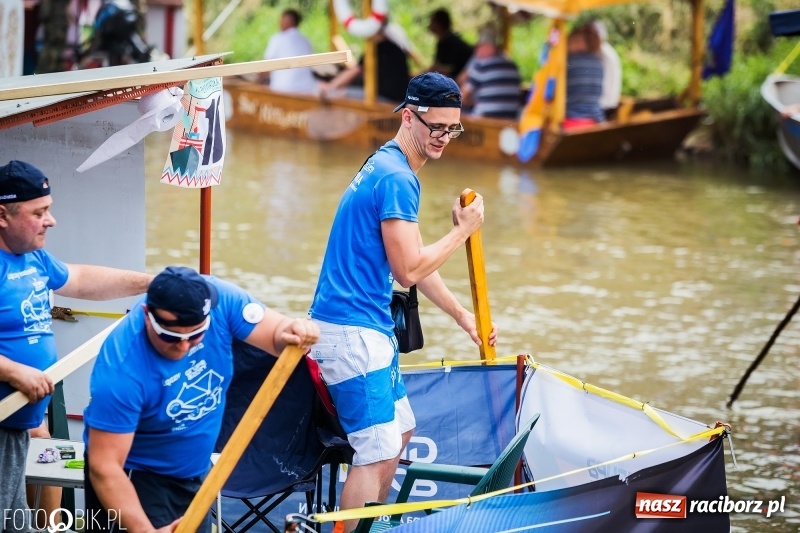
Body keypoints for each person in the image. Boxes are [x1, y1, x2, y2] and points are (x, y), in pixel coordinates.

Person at [308, 72, 498, 533]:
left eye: (453, 129)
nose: (445, 139)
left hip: (364, 330)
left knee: (401, 432)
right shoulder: (397, 177)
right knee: (374, 452)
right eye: (437, 127)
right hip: (352, 334)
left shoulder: (388, 165)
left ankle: (367, 527)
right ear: (408, 116)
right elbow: (408, 270)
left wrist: (461, 316)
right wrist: (462, 231)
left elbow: (409, 262)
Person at [82, 265, 320, 533]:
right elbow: (105, 469)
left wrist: (294, 330)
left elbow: (277, 336)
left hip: (197, 474)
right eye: (170, 337)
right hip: (136, 481)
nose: (184, 346)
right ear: (147, 315)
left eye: (195, 335)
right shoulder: (120, 372)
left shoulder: (219, 299)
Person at [0, 160, 154, 533]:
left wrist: (152, 282)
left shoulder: (33, 257)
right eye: (40, 212)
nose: (51, 220)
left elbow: (82, 279)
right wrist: (13, 371)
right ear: (3, 215)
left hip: (20, 426)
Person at [318, 22, 410, 103]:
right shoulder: (395, 48)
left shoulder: (376, 50)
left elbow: (353, 72)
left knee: (341, 94)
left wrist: (330, 86)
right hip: (399, 100)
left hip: (386, 101)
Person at [460, 25, 522, 119]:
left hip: (485, 121)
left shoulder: (481, 66)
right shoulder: (513, 66)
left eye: (478, 46)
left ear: (485, 47)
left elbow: (462, 99)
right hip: (510, 120)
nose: (476, 51)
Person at [262, 8, 319, 94]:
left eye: (281, 20)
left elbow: (265, 68)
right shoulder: (306, 40)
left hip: (282, 89)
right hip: (307, 89)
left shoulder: (277, 39)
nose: (279, 23)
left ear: (289, 22)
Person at [564, 23, 605, 129]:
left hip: (571, 120)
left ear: (579, 43)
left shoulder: (570, 61)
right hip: (595, 120)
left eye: (570, 41)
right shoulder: (598, 63)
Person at [426, 8, 474, 80]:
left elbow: (452, 68)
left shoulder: (453, 42)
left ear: (439, 24)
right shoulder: (442, 42)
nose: (430, 25)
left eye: (432, 22)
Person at [592, 20, 622, 114]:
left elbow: (606, 86)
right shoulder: (601, 51)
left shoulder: (604, 54)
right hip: (604, 103)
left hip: (605, 105)